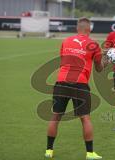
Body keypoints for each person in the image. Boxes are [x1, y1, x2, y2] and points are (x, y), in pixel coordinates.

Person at [45, 17, 104, 159]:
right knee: (85, 118)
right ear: (89, 29)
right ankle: (90, 153)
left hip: (61, 82)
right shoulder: (94, 44)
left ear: (77, 29)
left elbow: (63, 60)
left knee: (56, 116)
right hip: (80, 84)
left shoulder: (66, 41)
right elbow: (99, 68)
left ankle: (49, 150)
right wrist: (107, 59)